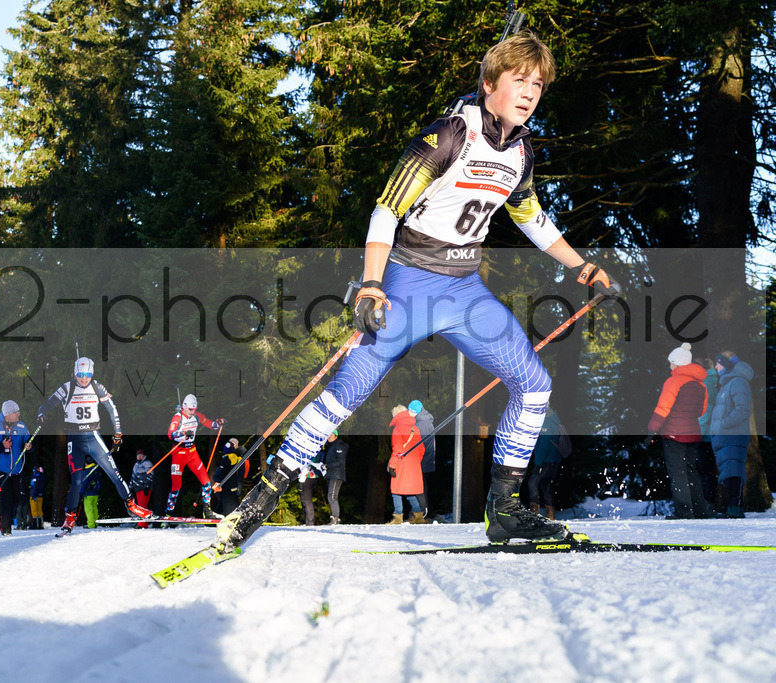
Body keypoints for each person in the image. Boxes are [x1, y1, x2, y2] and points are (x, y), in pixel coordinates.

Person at [212, 32, 619, 554]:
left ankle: (506, 512)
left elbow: (531, 218)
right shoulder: (450, 134)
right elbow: (386, 209)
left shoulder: (520, 152)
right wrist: (372, 286)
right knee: (345, 395)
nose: (529, 93)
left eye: (537, 84)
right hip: (408, 283)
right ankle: (257, 505)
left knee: (533, 384)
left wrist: (583, 265)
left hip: (465, 290)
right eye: (518, 81)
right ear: (489, 82)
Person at [37, 357, 151, 535]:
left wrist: (118, 433)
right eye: (80, 374)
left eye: (87, 374)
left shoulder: (98, 387)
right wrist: (42, 413)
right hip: (74, 440)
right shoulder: (67, 388)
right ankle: (70, 517)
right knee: (76, 481)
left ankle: (131, 506)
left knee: (115, 475)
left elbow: (112, 409)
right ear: (75, 373)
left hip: (93, 437)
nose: (84, 378)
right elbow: (48, 403)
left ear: (92, 373)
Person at [647, 343, 709, 520]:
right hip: (693, 432)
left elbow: (662, 408)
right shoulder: (700, 385)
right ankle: (699, 510)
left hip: (674, 433)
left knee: (678, 473)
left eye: (671, 363)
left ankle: (684, 512)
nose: (670, 366)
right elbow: (701, 411)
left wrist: (651, 429)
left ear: (678, 364)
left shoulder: (673, 381)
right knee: (692, 471)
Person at [165, 394, 225, 519]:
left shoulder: (197, 416)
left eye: (195, 409)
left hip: (192, 452)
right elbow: (170, 434)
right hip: (178, 453)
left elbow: (211, 424)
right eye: (191, 409)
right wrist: (182, 433)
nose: (193, 412)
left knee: (206, 482)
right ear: (184, 407)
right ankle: (168, 515)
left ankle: (207, 512)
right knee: (176, 486)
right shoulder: (178, 417)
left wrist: (218, 423)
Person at [710, 351, 754, 518]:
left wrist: (723, 424)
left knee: (733, 471)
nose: (715, 367)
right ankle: (731, 507)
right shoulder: (728, 383)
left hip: (733, 435)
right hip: (726, 436)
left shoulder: (738, 382)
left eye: (718, 363)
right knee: (728, 472)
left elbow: (742, 410)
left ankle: (735, 509)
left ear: (726, 365)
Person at [0, 399, 33, 536]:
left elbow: (28, 441)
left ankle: (9, 519)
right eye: (16, 412)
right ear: (7, 414)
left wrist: (29, 445)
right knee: (6, 497)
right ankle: (5, 527)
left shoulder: (21, 426)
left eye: (18, 412)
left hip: (17, 470)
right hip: (0, 470)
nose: (18, 414)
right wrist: (1, 446)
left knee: (17, 499)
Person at [528, 405, 570, 520]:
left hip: (546, 460)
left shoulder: (546, 422)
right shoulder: (554, 420)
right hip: (553, 460)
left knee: (532, 482)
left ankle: (534, 514)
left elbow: (544, 445)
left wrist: (537, 462)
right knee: (545, 485)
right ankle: (550, 515)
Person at [387, 405, 427, 524]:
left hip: (401, 464)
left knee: (396, 491)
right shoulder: (415, 428)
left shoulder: (397, 429)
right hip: (414, 465)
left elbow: (397, 449)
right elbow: (421, 448)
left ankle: (397, 517)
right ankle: (418, 516)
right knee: (410, 491)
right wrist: (415, 462)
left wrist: (392, 465)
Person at [694, 357, 720, 505]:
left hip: (705, 436)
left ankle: (707, 503)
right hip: (709, 435)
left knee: (705, 471)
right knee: (707, 471)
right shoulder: (711, 380)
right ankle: (707, 501)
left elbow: (706, 411)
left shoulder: (706, 383)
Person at [410, 400, 437, 518]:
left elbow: (419, 443)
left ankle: (421, 511)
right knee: (422, 484)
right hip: (426, 458)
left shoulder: (421, 423)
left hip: (422, 459)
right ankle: (422, 510)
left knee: (420, 485)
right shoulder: (425, 421)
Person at [212, 439, 247, 516]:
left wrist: (239, 486)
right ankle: (211, 523)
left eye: (233, 443)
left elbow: (241, 474)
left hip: (230, 488)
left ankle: (214, 522)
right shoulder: (227, 457)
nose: (230, 444)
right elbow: (219, 473)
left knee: (229, 508)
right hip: (225, 488)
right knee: (222, 506)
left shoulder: (236, 458)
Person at [322, 431, 348, 524]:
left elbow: (340, 461)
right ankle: (334, 517)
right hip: (332, 474)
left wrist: (327, 466)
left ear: (336, 436)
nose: (329, 437)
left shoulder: (339, 446)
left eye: (331, 435)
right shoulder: (331, 447)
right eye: (328, 435)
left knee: (332, 496)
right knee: (331, 496)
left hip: (337, 475)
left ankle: (335, 518)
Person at [130, 450, 154, 527]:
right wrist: (130, 486)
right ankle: (145, 524)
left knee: (142, 505)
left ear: (144, 455)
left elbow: (150, 474)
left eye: (140, 455)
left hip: (144, 488)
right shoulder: (136, 464)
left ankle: (141, 524)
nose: (139, 456)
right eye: (138, 455)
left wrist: (147, 485)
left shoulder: (147, 463)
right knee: (140, 505)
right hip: (137, 488)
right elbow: (133, 476)